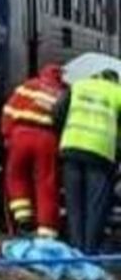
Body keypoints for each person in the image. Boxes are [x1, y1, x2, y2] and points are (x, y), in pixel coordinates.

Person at [53, 69, 121, 253]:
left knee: (73, 204)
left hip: (71, 149)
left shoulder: (78, 86)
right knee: (95, 205)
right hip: (99, 153)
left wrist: (64, 134)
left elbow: (57, 112)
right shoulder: (118, 92)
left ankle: (75, 249)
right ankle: (89, 251)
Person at [1, 63, 67, 237]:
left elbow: (8, 110)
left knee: (16, 176)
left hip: (20, 134)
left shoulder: (28, 85)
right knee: (46, 182)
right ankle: (47, 229)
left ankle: (23, 220)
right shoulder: (63, 93)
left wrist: (6, 135)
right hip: (47, 138)